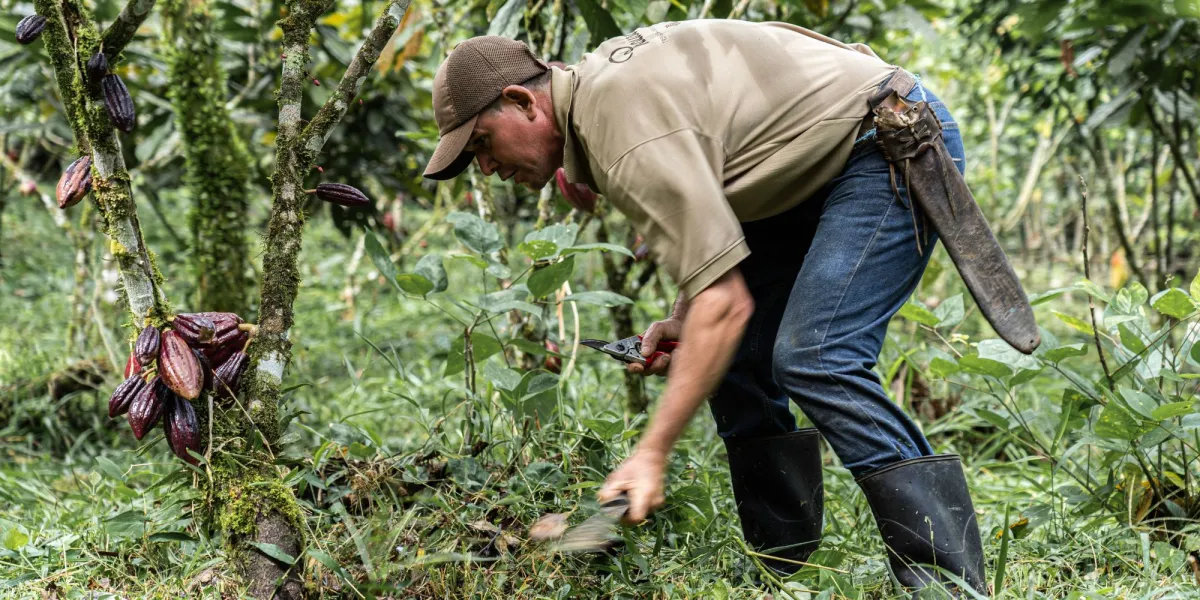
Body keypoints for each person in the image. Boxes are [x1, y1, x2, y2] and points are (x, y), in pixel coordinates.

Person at [422, 19, 989, 595]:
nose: (487, 169)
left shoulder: (620, 127)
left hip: (883, 140)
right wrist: (685, 312)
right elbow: (713, 208)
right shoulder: (602, 100)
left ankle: (945, 580)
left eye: (482, 145)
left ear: (522, 102)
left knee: (815, 356)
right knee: (735, 359)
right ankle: (784, 570)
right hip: (802, 167)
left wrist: (650, 454)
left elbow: (726, 301)